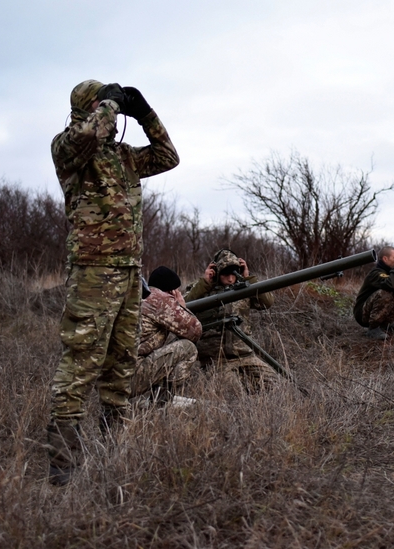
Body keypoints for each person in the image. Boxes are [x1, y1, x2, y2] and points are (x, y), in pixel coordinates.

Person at [46, 80, 180, 485]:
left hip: (126, 273)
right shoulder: (68, 148)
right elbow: (87, 132)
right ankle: (63, 467)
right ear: (89, 108)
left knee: (121, 364)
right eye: (105, 106)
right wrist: (108, 103)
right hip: (92, 271)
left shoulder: (123, 157)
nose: (113, 112)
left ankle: (111, 451)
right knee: (81, 362)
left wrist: (144, 113)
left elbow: (168, 156)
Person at [183, 249, 278, 391]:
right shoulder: (201, 288)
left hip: (244, 355)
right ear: (216, 272)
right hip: (216, 359)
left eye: (234, 273)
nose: (230, 279)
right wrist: (205, 283)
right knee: (232, 392)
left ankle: (245, 382)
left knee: (275, 385)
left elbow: (267, 302)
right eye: (225, 274)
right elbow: (182, 306)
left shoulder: (243, 288)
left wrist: (248, 278)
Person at [131, 266, 202, 402]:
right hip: (132, 378)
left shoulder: (138, 295)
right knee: (188, 348)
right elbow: (195, 331)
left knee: (170, 345)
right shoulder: (161, 299)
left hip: (114, 377)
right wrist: (181, 306)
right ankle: (161, 402)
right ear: (172, 291)